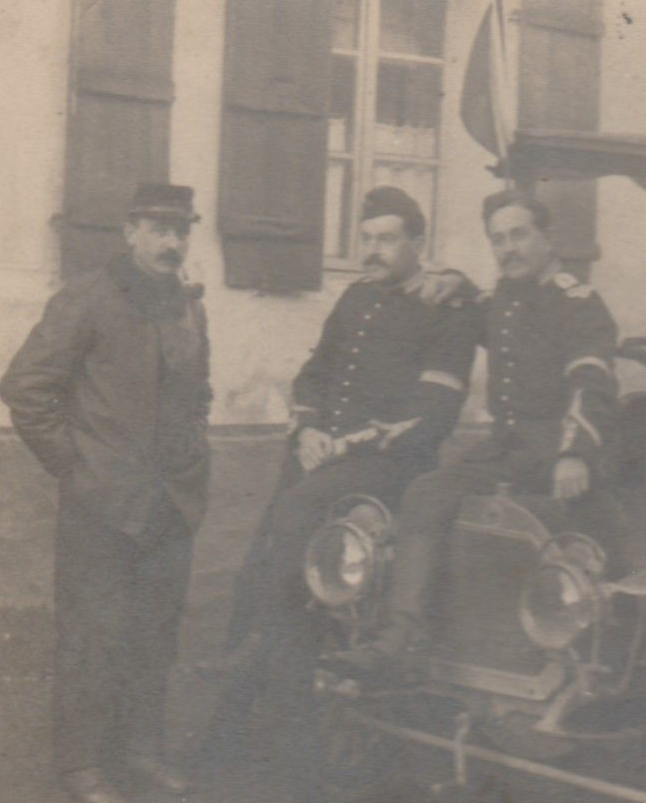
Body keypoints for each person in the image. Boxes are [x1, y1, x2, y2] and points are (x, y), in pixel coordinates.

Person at [206, 186, 484, 758]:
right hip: (320, 457)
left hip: (388, 466)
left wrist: (348, 444)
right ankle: (244, 707)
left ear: (417, 243)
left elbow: (433, 416)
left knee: (294, 544)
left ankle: (275, 710)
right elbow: (315, 373)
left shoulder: (445, 308)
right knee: (264, 565)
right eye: (365, 239)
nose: (373, 250)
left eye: (386, 239)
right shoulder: (356, 298)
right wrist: (306, 429)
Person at [334, 190, 618, 672]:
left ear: (549, 238)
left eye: (519, 235)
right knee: (427, 493)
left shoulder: (578, 303)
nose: (508, 248)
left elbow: (591, 383)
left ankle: (550, 648)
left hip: (558, 452)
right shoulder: (505, 298)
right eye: (498, 239)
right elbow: (475, 302)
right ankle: (405, 633)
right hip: (504, 448)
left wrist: (575, 454)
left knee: (550, 533)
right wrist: (453, 281)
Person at [0, 183, 211, 803]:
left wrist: (195, 454)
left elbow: (200, 392)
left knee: (154, 632)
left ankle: (141, 751)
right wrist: (76, 468)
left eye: (182, 230)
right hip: (103, 503)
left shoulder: (190, 307)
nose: (173, 242)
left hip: (171, 501)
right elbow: (25, 389)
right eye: (160, 228)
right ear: (130, 231)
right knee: (94, 633)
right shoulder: (87, 301)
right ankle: (82, 763)